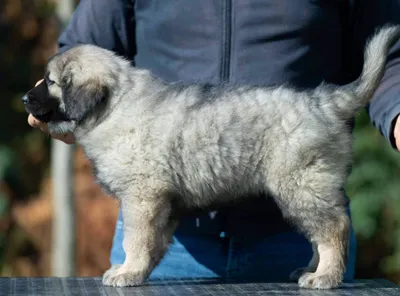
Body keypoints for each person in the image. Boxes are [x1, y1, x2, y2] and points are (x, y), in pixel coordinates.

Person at [28, 0, 400, 282]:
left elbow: (391, 53)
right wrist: (57, 105)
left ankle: (328, 256)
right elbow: (81, 50)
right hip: (174, 247)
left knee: (303, 191)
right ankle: (139, 259)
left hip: (286, 234)